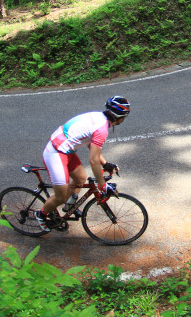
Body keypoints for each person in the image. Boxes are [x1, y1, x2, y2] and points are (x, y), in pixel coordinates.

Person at [35, 96, 130, 231]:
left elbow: (89, 142)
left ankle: (69, 207)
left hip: (65, 148)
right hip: (55, 152)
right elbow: (93, 160)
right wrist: (102, 184)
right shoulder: (102, 129)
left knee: (80, 179)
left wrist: (105, 163)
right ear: (120, 118)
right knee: (60, 196)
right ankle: (41, 214)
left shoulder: (98, 116)